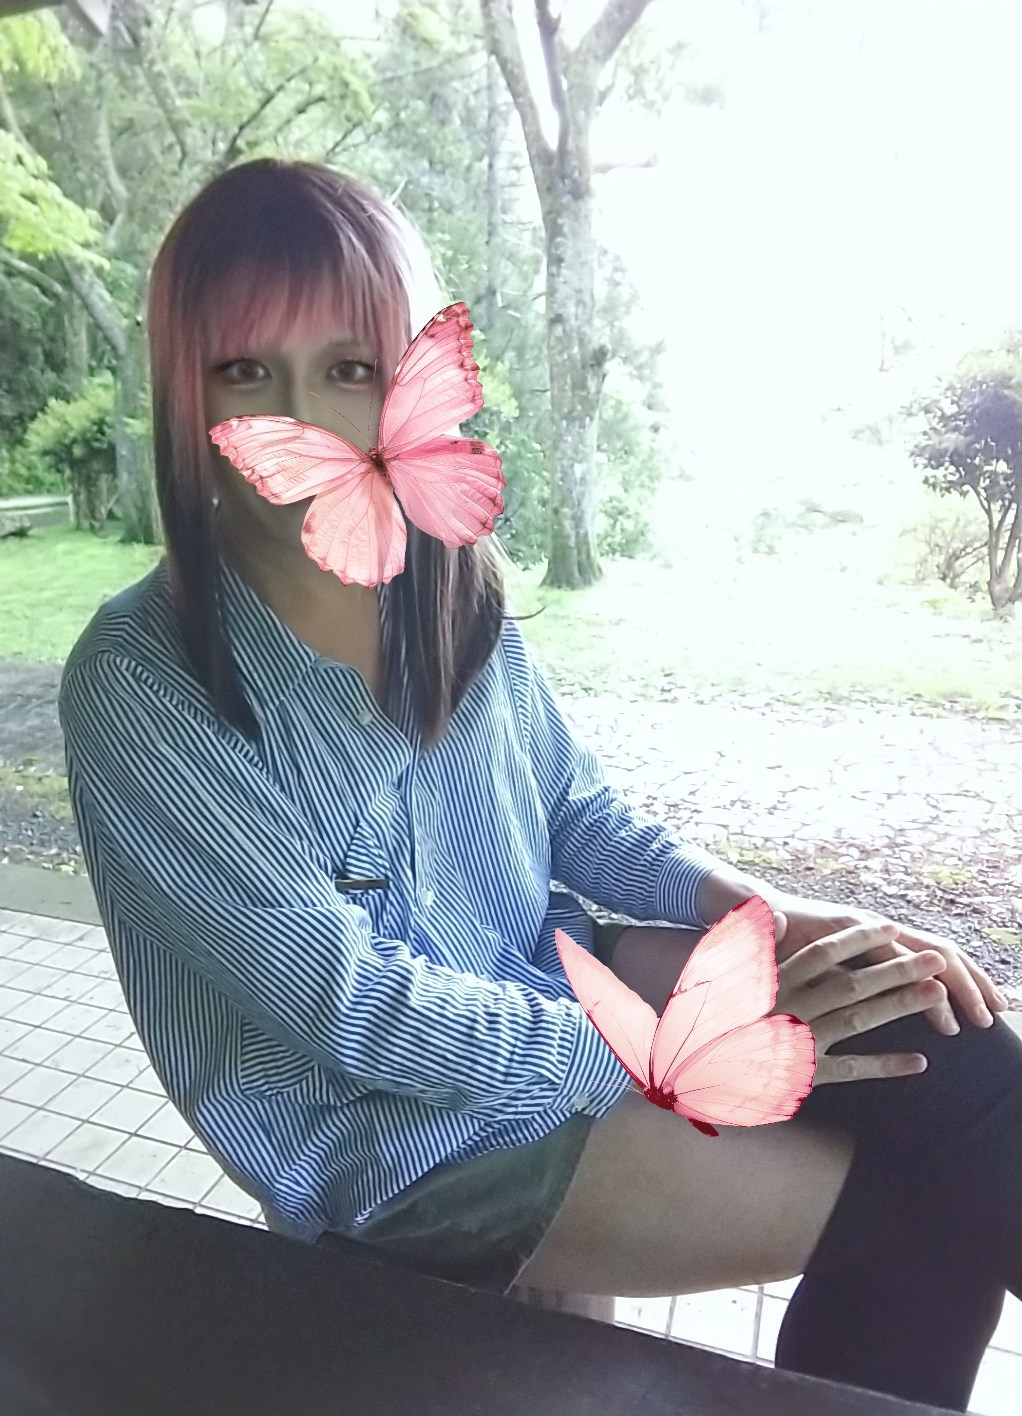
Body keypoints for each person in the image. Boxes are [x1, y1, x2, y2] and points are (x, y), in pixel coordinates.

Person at [59, 159, 1021, 1413]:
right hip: (393, 1137)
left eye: (348, 368)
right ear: (185, 389)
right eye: (245, 370)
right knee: (927, 1203)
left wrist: (769, 918)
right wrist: (674, 1046)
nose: (305, 424)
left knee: (942, 1032)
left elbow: (575, 815)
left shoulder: (444, 590)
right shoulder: (143, 682)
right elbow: (355, 1014)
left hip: (540, 980)